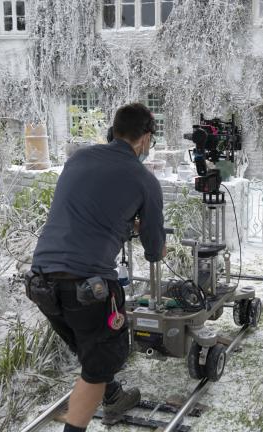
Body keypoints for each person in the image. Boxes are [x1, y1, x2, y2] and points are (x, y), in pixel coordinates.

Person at [29, 103, 166, 432]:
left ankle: (112, 394)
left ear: (114, 131)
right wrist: (147, 233)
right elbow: (154, 252)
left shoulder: (77, 159)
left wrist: (120, 225)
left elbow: (84, 213)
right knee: (104, 355)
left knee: (91, 346)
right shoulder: (144, 180)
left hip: (41, 282)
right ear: (145, 139)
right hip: (86, 287)